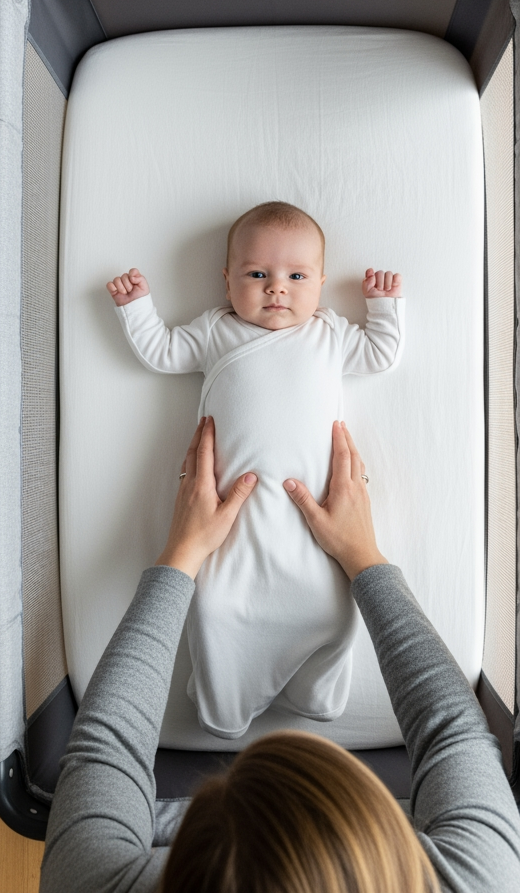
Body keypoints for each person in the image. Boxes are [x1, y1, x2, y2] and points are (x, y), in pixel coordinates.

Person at [40, 417, 520, 893]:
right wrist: (364, 557)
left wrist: (182, 555)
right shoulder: (484, 880)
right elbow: (454, 731)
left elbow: (105, 746)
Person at [105, 201, 405, 739]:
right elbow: (163, 351)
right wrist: (138, 308)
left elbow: (380, 353)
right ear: (227, 281)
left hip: (312, 520)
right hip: (235, 523)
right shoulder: (216, 331)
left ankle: (318, 692)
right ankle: (225, 706)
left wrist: (382, 306)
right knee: (216, 606)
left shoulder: (330, 335)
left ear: (320, 281)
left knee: (331, 608)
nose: (276, 289)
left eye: (296, 276)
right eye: (257, 274)